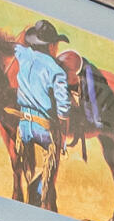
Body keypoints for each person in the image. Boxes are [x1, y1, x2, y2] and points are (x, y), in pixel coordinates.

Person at [9, 21, 75, 207]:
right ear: (52, 46)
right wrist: (62, 139)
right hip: (42, 129)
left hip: (24, 127)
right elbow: (63, 110)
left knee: (28, 165)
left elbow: (12, 46)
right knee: (48, 168)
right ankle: (39, 197)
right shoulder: (56, 70)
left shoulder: (23, 54)